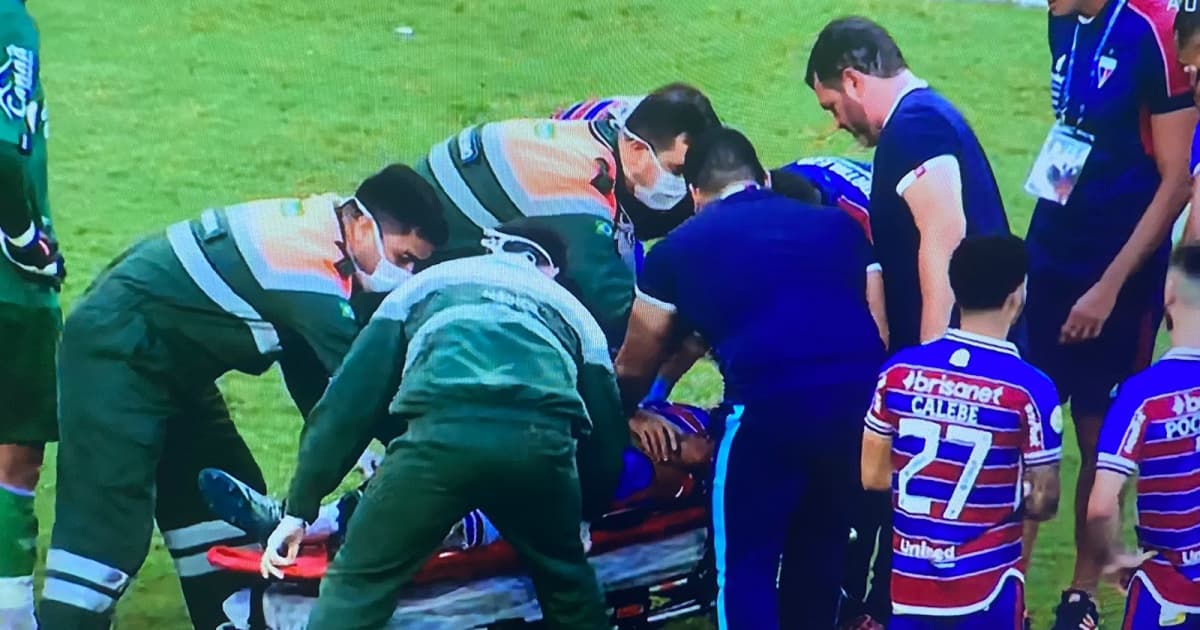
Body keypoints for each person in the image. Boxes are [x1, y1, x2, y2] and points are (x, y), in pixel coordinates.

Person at [37, 165, 448, 630]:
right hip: (117, 356)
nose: (406, 273)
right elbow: (360, 384)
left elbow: (310, 368)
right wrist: (429, 447)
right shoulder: (306, 270)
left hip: (170, 363)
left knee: (220, 506)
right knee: (105, 534)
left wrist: (366, 446)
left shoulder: (322, 236)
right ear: (362, 225)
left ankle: (226, 621)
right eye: (405, 257)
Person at [259, 226, 625, 630]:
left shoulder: (422, 287)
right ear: (551, 269)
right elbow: (608, 436)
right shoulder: (575, 314)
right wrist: (584, 517)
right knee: (566, 582)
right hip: (537, 450)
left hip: (437, 445)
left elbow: (348, 404)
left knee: (358, 583)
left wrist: (300, 509)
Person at [614, 126, 884, 629]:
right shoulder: (840, 228)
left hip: (767, 411)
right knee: (820, 556)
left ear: (695, 193)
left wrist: (626, 410)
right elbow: (879, 331)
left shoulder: (678, 249)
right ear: (762, 177)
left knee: (744, 565)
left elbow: (635, 360)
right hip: (857, 408)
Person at [805, 18, 1012, 626]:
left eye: (832, 104)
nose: (836, 122)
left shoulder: (914, 126)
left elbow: (943, 234)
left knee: (946, 505)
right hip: (980, 345)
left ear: (852, 78)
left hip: (963, 351)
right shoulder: (926, 117)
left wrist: (931, 359)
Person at [1024, 1, 1199, 626]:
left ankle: (1081, 591)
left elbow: (1177, 178)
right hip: (1051, 260)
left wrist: (1108, 286)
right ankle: (1012, 583)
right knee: (1028, 423)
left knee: (1100, 435)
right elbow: (1072, 132)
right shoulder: (1062, 19)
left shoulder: (1151, 29)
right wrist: (1043, 244)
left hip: (1119, 272)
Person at [413, 86, 720, 347]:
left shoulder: (612, 129)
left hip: (435, 218)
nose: (686, 184)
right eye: (680, 171)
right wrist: (713, 319)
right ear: (638, 151)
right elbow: (617, 311)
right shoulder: (577, 187)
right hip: (419, 264)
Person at [861, 234, 1063, 629]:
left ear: (955, 287)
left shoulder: (899, 373)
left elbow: (872, 476)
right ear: (1017, 295)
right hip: (986, 584)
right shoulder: (1029, 389)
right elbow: (1043, 502)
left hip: (909, 585)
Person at [1084, 242, 1200, 629]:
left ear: (1168, 296)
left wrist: (1114, 556)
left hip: (1169, 588)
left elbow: (1102, 505)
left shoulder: (1144, 395)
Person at [0, 3, 63, 628]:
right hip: (8, 290)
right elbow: (3, 149)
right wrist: (23, 239)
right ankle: (11, 615)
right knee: (14, 455)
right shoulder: (7, 24)